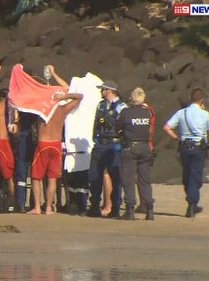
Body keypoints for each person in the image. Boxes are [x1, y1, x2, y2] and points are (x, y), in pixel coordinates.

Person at [28, 65, 83, 215]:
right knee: (52, 178)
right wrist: (64, 96)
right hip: (56, 144)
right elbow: (80, 96)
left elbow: (30, 96)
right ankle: (49, 208)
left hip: (43, 144)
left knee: (36, 177)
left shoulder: (42, 110)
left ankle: (38, 207)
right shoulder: (62, 110)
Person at [163, 88, 209, 218]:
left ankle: (191, 201)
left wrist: (177, 138)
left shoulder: (181, 113)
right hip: (198, 147)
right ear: (201, 100)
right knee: (195, 175)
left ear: (190, 98)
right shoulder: (205, 114)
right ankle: (192, 204)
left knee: (187, 174)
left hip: (185, 147)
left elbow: (167, 127)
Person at [88, 80, 128, 218]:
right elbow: (96, 123)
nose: (101, 92)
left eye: (103, 89)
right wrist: (95, 139)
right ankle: (94, 206)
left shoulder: (121, 106)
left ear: (109, 91)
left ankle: (115, 208)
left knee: (116, 177)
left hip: (114, 144)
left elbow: (124, 125)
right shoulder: (101, 105)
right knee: (94, 175)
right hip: (101, 144)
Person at [116, 87, 155, 220]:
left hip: (130, 147)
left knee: (129, 179)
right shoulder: (147, 113)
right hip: (145, 147)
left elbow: (118, 128)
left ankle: (130, 209)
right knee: (145, 179)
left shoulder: (126, 112)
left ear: (132, 99)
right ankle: (149, 209)